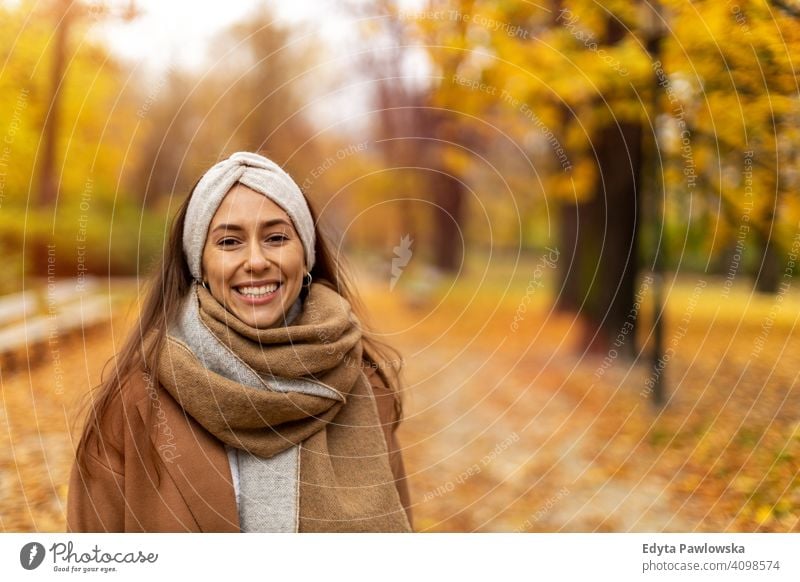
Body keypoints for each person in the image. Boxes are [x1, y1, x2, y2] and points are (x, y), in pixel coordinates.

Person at [67, 151, 413, 532]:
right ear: (199, 263)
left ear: (306, 255)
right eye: (230, 242)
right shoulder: (135, 404)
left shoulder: (366, 389)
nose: (256, 260)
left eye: (276, 237)